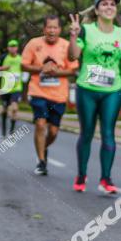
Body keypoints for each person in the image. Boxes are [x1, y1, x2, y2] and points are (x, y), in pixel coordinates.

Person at [68, 0, 121, 194]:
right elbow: (73, 55)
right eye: (104, 4)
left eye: (112, 4)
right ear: (96, 10)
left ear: (115, 10)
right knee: (86, 133)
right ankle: (81, 175)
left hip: (112, 91)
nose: (109, 7)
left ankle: (106, 178)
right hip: (87, 89)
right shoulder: (86, 30)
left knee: (108, 134)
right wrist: (73, 35)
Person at [22, 15, 79, 175]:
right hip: (38, 92)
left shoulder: (67, 46)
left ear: (60, 30)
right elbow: (24, 65)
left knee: (53, 131)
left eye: (55, 27)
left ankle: (43, 147)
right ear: (44, 29)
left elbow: (73, 70)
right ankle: (41, 161)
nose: (52, 30)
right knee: (40, 124)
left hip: (59, 95)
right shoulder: (34, 44)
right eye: (49, 27)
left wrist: (57, 72)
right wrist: (41, 69)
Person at [0, 40, 23, 137]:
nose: (13, 48)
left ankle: (11, 131)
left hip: (17, 88)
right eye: (11, 46)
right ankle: (3, 132)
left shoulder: (21, 58)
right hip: (5, 88)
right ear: (8, 48)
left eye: (14, 46)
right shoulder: (3, 57)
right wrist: (2, 68)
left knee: (14, 108)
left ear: (17, 48)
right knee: (4, 110)